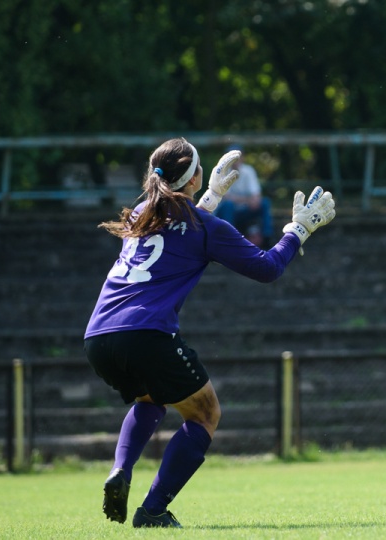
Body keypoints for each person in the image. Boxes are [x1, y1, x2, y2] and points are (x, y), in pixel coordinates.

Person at [83, 138, 335, 528]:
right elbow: (267, 267)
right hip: (147, 332)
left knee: (150, 398)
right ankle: (152, 511)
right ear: (195, 176)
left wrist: (211, 196)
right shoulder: (206, 227)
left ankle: (121, 469)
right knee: (205, 414)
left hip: (99, 335)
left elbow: (177, 229)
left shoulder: (141, 212)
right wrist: (298, 230)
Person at [213, 145, 274, 247]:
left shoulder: (248, 171)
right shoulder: (220, 172)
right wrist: (248, 200)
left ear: (242, 158)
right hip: (225, 212)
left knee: (265, 203)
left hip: (243, 210)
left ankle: (267, 238)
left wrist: (252, 201)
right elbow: (225, 198)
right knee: (228, 205)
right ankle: (230, 240)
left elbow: (256, 195)